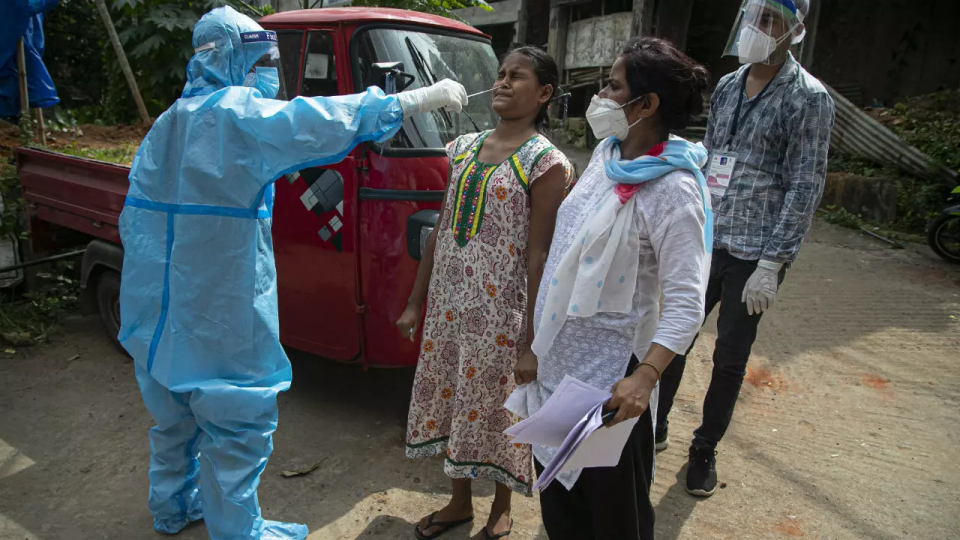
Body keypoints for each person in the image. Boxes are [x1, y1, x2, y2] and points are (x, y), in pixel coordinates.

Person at [118, 7, 466, 540]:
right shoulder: (237, 117)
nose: (267, 74)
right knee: (235, 420)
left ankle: (172, 507)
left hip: (158, 301)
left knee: (174, 415)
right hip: (218, 299)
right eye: (260, 60)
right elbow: (317, 120)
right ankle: (237, 531)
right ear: (233, 58)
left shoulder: (170, 121)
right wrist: (412, 100)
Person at [508, 37, 712, 540]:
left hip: (613, 383)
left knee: (614, 515)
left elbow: (687, 303)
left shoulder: (674, 191)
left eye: (612, 86)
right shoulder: (606, 154)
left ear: (646, 105)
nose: (600, 94)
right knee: (561, 502)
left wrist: (644, 378)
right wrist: (532, 339)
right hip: (560, 369)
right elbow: (564, 251)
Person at [655, 0, 835, 498]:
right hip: (708, 236)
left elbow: (805, 185)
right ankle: (659, 424)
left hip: (757, 252)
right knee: (675, 336)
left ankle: (704, 448)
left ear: (795, 29)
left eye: (772, 20)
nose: (758, 29)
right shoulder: (730, 84)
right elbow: (711, 155)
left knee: (731, 357)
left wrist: (773, 263)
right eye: (754, 17)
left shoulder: (809, 98)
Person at [396, 46, 573, 540]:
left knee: (499, 410)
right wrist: (415, 300)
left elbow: (540, 255)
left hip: (501, 316)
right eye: (500, 75)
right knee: (455, 401)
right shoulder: (463, 147)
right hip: (450, 311)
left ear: (543, 93)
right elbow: (442, 230)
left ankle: (500, 508)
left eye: (517, 77)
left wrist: (531, 339)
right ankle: (457, 504)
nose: (502, 83)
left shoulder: (546, 162)